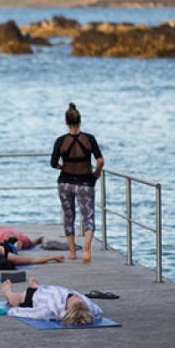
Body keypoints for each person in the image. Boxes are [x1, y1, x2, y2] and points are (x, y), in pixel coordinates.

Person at [50, 102, 105, 263]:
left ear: (66, 122)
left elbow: (53, 163)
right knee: (88, 216)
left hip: (65, 182)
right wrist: (97, 172)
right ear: (80, 121)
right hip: (85, 183)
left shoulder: (60, 141)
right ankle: (87, 248)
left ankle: (73, 252)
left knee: (69, 216)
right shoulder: (89, 139)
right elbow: (100, 160)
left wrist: (63, 167)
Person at [1, 277, 102, 325]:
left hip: (34, 296)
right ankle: (36, 285)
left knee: (14, 298)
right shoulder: (90, 307)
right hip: (51, 289)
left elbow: (34, 313)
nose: (76, 297)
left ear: (66, 310)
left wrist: (14, 309)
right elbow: (98, 312)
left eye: (74, 300)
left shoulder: (51, 310)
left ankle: (8, 292)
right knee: (45, 288)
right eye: (77, 298)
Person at [0, 242, 64, 270]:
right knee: (16, 247)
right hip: (9, 247)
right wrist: (52, 257)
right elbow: (32, 260)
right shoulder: (10, 256)